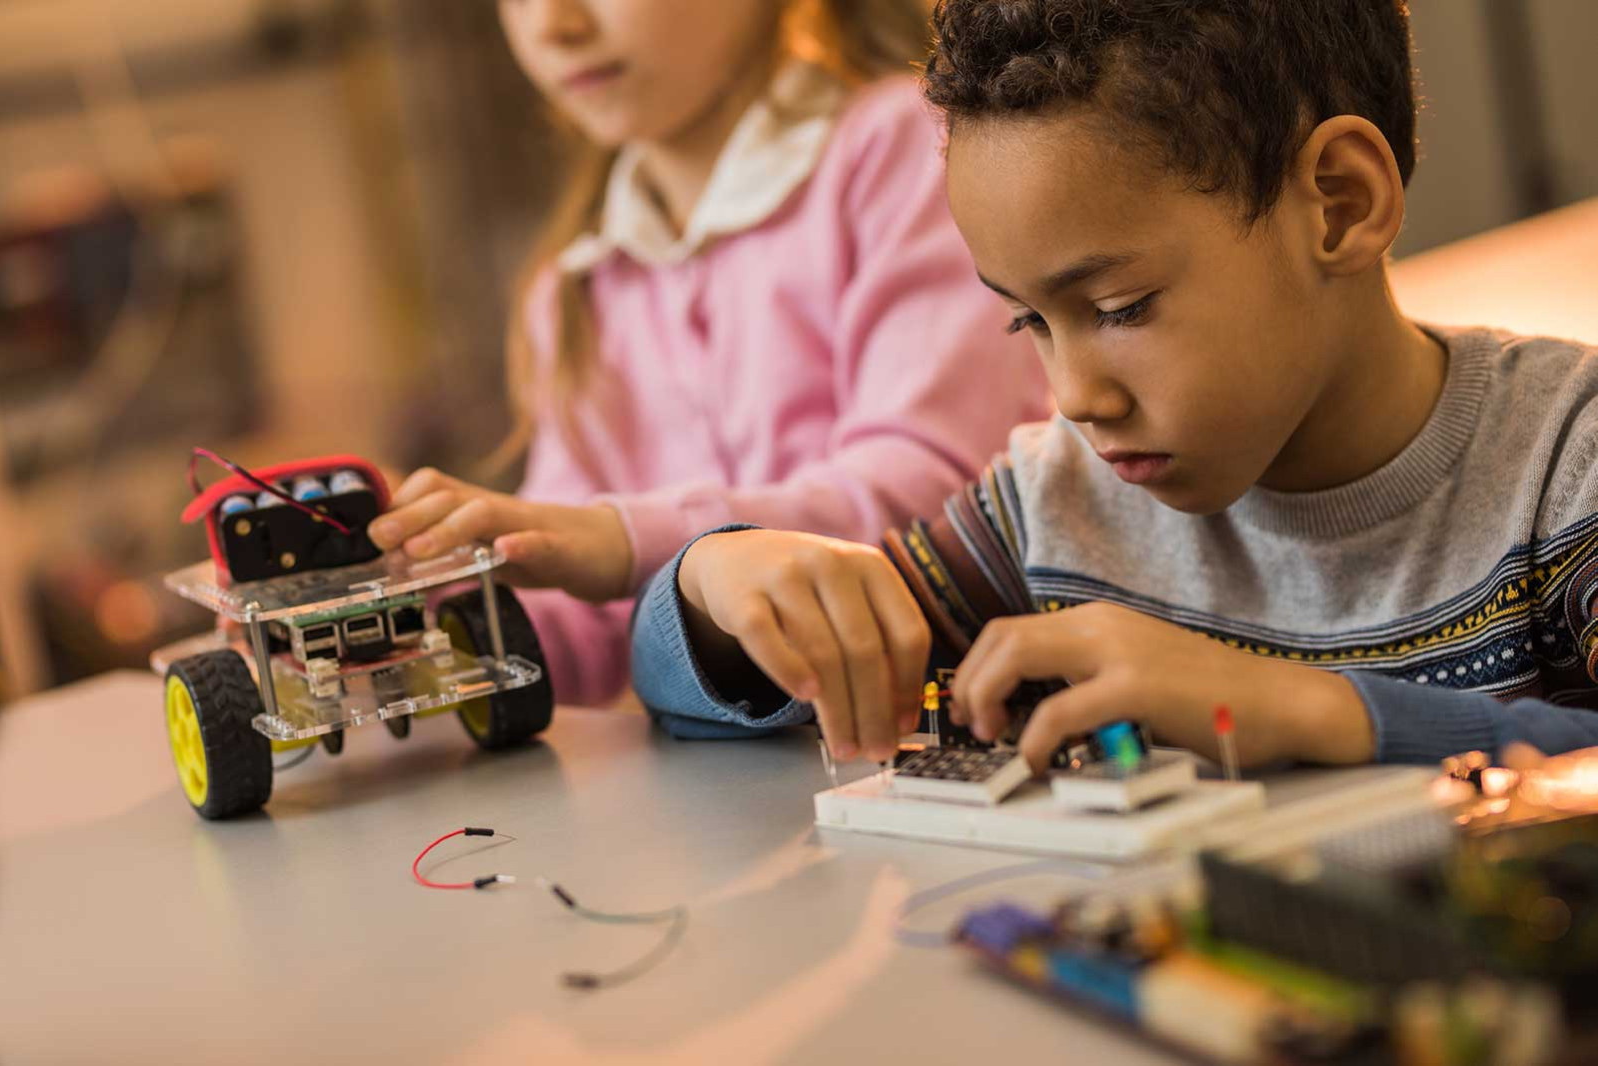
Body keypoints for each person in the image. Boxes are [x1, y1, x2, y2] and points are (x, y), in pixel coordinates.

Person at [629, 0, 1598, 770]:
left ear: (1339, 203)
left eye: (1122, 308)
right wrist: (713, 586)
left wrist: (1305, 710)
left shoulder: (1566, 470)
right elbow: (693, 689)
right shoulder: (1052, 513)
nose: (1075, 398)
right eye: (1029, 322)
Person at [368, 0, 1047, 705]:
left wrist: (617, 540)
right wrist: (412, 594)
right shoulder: (577, 288)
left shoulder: (911, 146)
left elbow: (937, 500)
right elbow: (585, 627)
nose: (554, 26)